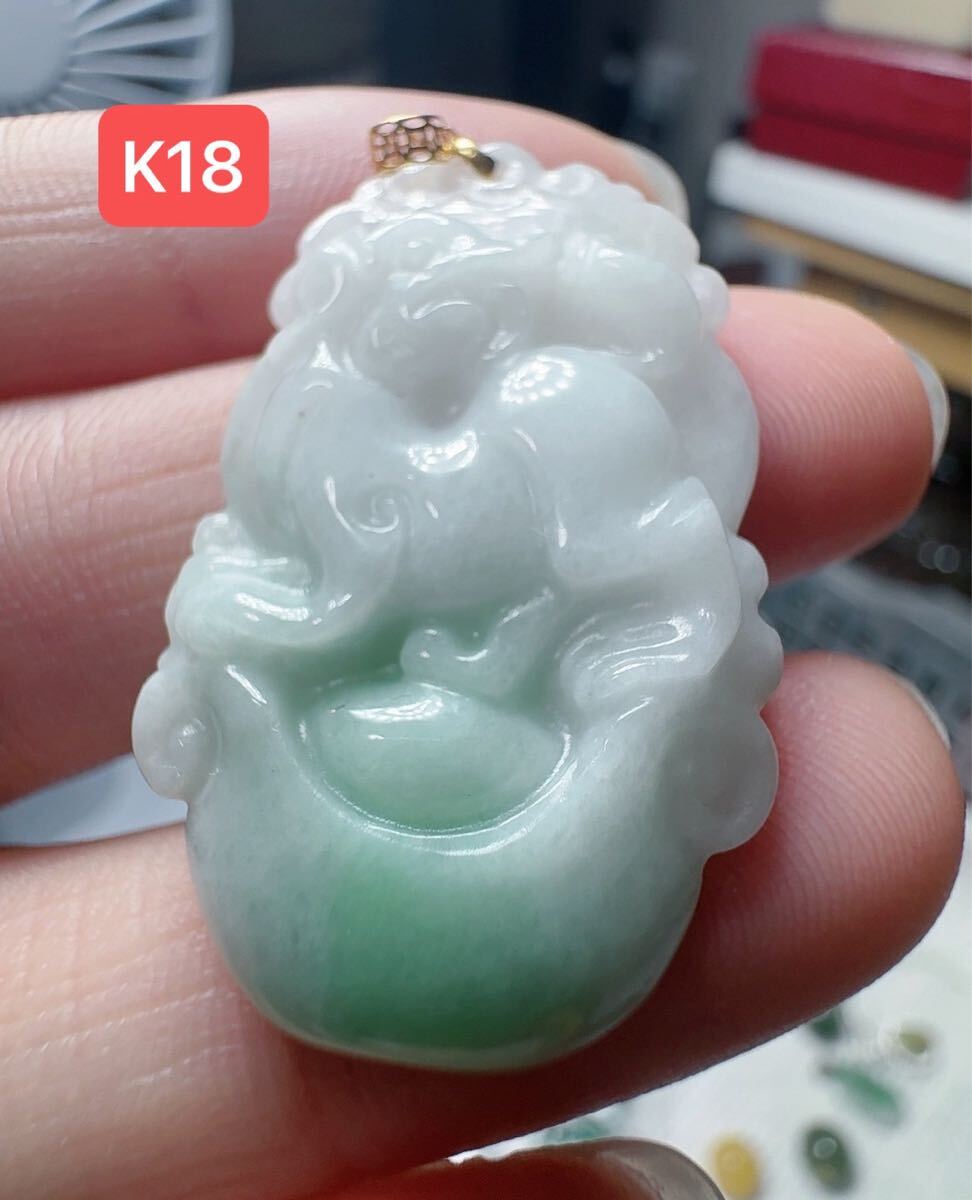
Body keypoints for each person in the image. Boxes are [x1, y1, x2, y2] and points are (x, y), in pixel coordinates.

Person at [0, 88, 962, 1200]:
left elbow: (656, 592)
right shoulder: (322, 415)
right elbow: (294, 586)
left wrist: (516, 662)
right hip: (373, 751)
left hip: (538, 771)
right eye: (385, 303)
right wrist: (254, 632)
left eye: (439, 297)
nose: (404, 327)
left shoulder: (575, 403)